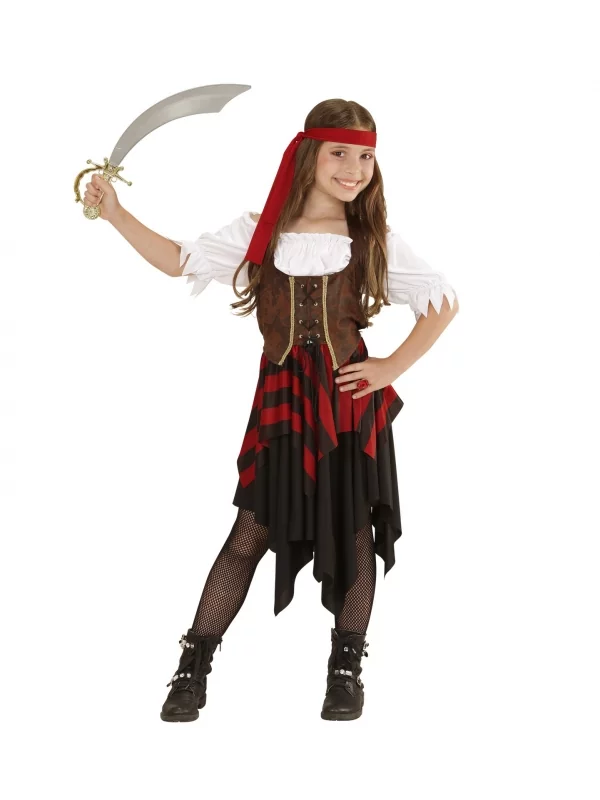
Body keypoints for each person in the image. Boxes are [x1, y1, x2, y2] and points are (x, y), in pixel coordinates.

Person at [83, 98, 459, 724]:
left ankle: (345, 670)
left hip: (346, 408)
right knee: (249, 533)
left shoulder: (371, 240)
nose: (354, 168)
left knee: (355, 533)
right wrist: (117, 214)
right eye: (340, 153)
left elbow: (441, 301)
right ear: (308, 155)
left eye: (366, 157)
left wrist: (390, 367)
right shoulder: (261, 232)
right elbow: (178, 260)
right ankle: (193, 667)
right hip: (283, 408)